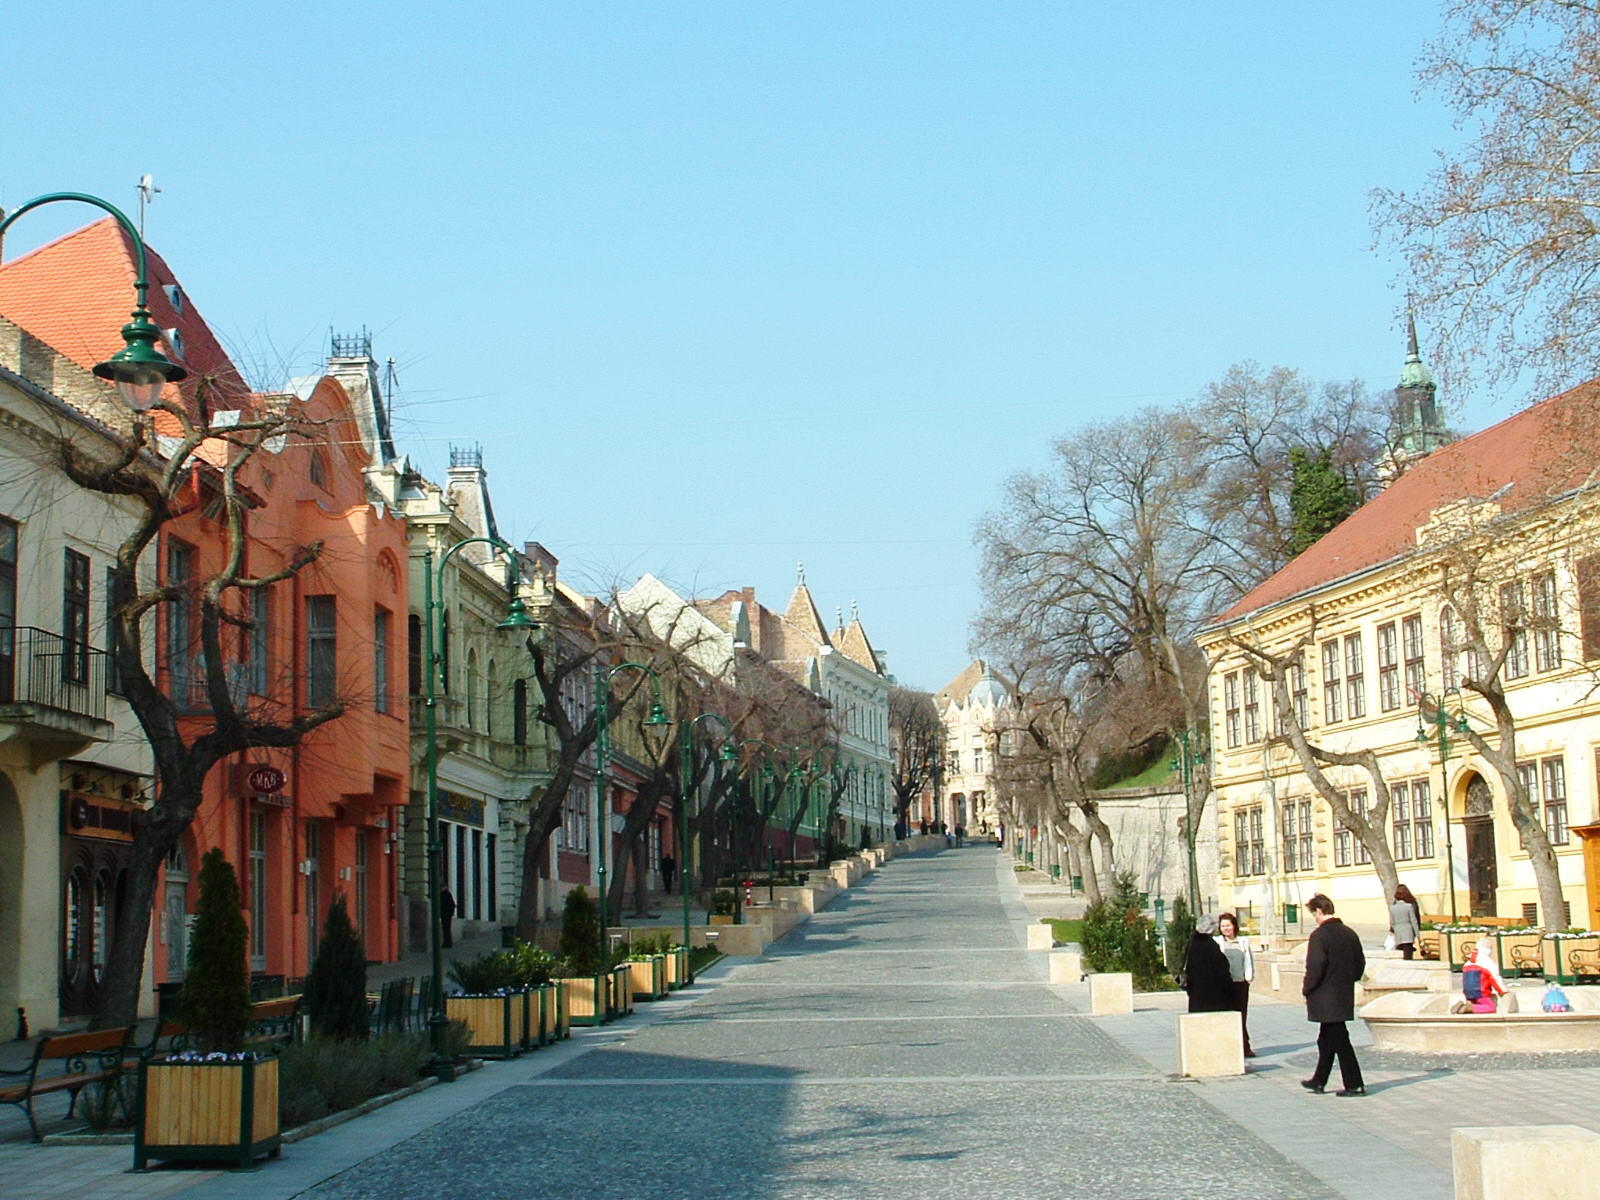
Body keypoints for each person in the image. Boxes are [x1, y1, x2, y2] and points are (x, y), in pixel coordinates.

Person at [1300, 893, 1366, 1096]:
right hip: (1342, 994)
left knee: (1340, 1040)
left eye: (1314, 914)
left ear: (1319, 911)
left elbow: (1315, 966)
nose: (1315, 919)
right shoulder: (1349, 933)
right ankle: (1319, 1080)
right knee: (1326, 1039)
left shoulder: (1320, 936)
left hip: (1324, 996)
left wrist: (1307, 988)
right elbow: (1360, 964)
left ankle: (1354, 1084)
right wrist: (1348, 980)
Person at [1216, 912, 1256, 1057]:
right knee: (1227, 1015)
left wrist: (1249, 978)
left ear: (1234, 926)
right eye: (1223, 926)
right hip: (1225, 985)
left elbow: (1249, 961)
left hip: (1240, 984)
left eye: (1228, 925)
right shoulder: (1218, 943)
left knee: (1241, 1016)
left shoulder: (1243, 942)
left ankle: (1245, 1047)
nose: (1226, 928)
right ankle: (1229, 1047)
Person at [1184, 914, 1234, 1013]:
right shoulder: (1210, 945)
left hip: (1197, 994)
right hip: (1214, 996)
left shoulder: (1192, 944)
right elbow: (1221, 969)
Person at [1463, 938, 1507, 1013]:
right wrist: (1503, 991)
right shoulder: (1487, 962)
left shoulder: (1468, 963)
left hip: (1468, 993)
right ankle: (1471, 1008)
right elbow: (1495, 978)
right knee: (1490, 1007)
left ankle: (1466, 1005)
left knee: (1477, 1003)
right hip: (1481, 993)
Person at [1389, 884, 1422, 960]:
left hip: (1398, 931)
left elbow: (1392, 922)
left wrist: (1394, 930)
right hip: (1408, 931)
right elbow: (1414, 920)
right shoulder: (1409, 905)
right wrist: (1417, 934)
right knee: (1408, 950)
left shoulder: (1393, 907)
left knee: (1402, 949)